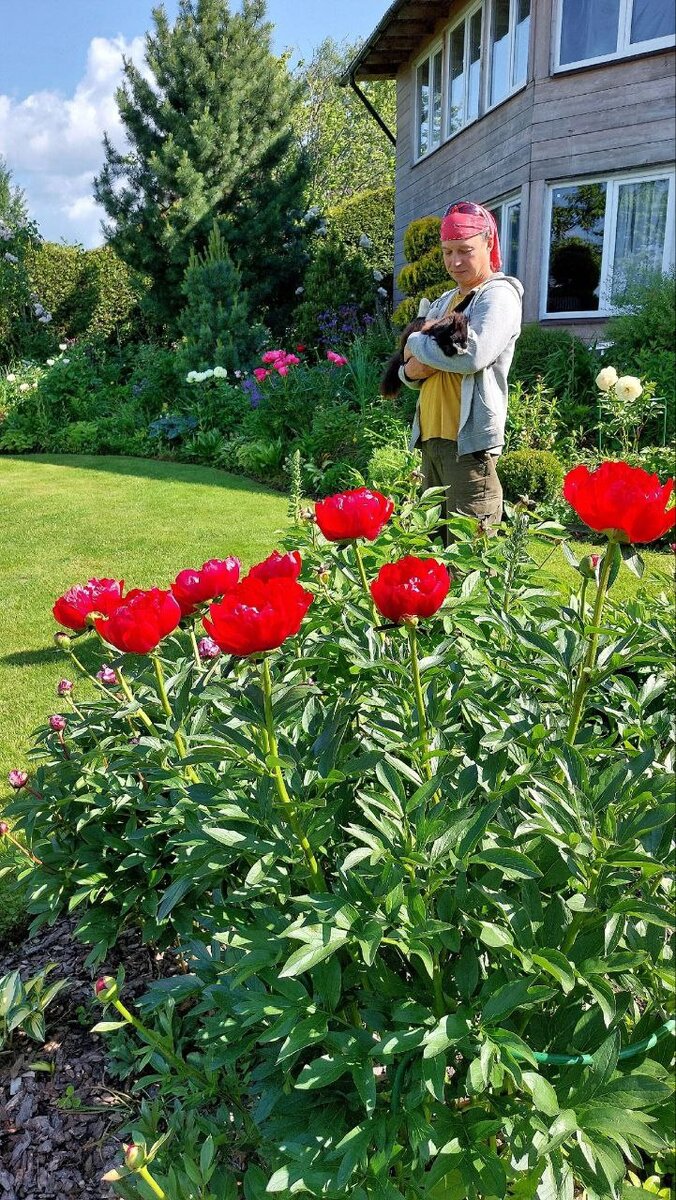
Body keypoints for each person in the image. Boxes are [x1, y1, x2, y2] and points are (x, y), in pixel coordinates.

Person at [400, 200, 523, 534]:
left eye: (465, 250)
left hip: (467, 446)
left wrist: (415, 344)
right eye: (447, 252)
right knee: (431, 551)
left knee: (470, 552)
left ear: (488, 244)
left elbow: (473, 356)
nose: (454, 261)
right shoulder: (444, 300)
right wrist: (414, 366)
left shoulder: (497, 296)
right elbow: (408, 370)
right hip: (432, 441)